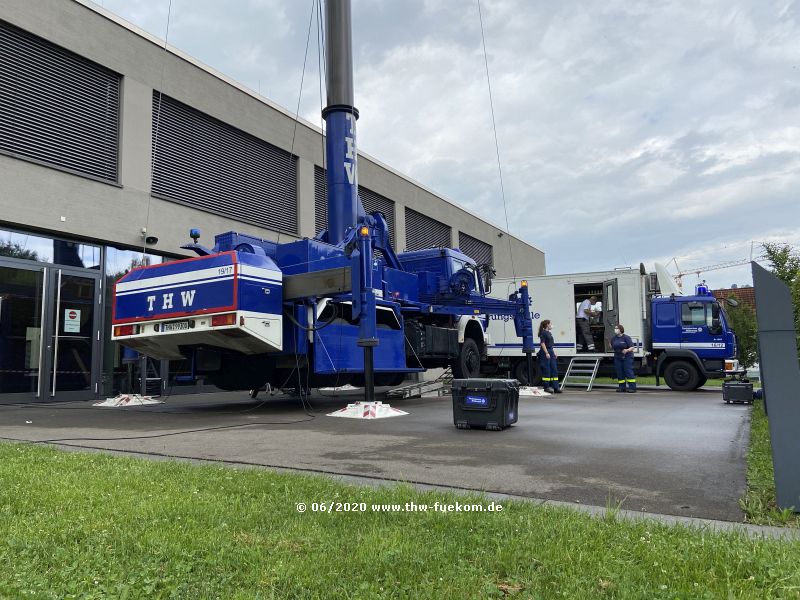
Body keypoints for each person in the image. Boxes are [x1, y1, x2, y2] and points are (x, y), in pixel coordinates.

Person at [537, 319, 561, 393]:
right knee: (547, 370)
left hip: (550, 351)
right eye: (551, 324)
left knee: (554, 369)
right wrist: (546, 353)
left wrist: (553, 353)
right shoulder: (543, 333)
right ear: (547, 325)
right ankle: (546, 387)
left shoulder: (549, 333)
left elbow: (550, 345)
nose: (552, 325)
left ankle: (555, 387)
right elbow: (542, 343)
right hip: (545, 352)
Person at [611, 323, 636, 393]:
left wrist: (627, 350)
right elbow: (613, 346)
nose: (615, 330)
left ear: (620, 330)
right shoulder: (613, 338)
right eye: (615, 328)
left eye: (617, 328)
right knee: (620, 372)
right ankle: (622, 387)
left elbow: (632, 347)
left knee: (628, 371)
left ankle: (632, 387)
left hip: (627, 357)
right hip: (617, 357)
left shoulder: (626, 337)